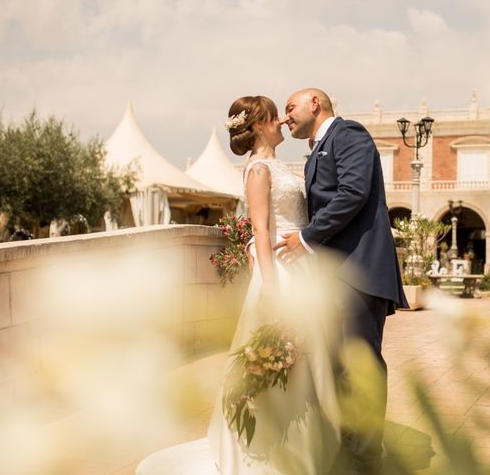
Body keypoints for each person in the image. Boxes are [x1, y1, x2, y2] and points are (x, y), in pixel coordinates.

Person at [136, 96, 340, 475]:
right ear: (259, 125)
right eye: (273, 116)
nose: (281, 120)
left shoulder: (278, 166)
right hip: (279, 268)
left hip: (301, 263)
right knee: (281, 355)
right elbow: (261, 228)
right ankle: (272, 450)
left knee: (307, 356)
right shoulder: (258, 170)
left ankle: (308, 445)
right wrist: (271, 284)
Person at [276, 88, 408, 474]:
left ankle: (367, 459)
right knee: (338, 367)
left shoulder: (348, 134)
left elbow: (353, 193)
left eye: (290, 108)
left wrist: (304, 237)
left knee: (360, 366)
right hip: (335, 275)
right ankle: (349, 450)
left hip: (358, 272)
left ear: (315, 103)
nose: (285, 118)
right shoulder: (317, 150)